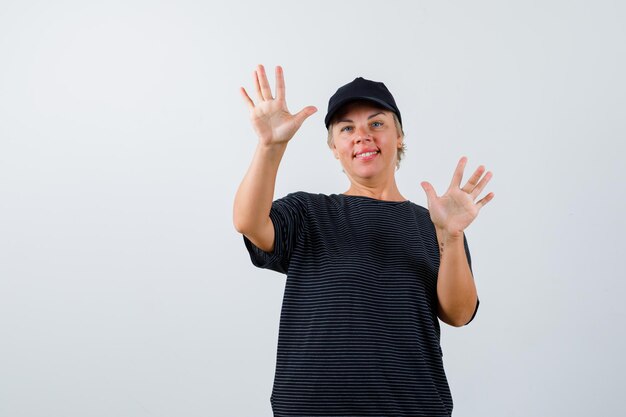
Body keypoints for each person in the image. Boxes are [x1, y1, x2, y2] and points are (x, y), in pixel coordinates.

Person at [233, 64, 494, 417]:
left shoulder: (435, 222)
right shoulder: (308, 212)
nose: (362, 135)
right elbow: (248, 222)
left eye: (376, 124)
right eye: (346, 128)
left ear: (399, 136)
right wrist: (270, 146)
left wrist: (451, 235)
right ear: (335, 147)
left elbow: (459, 313)